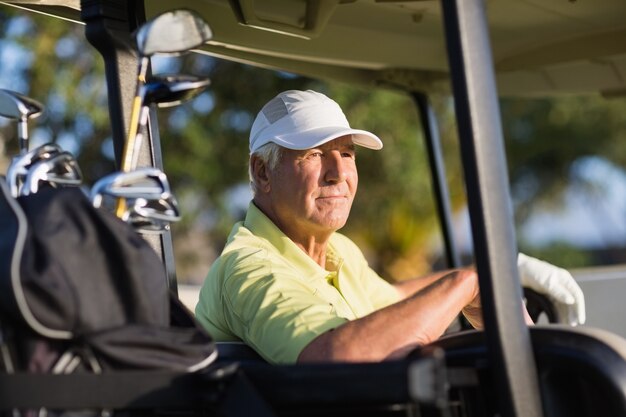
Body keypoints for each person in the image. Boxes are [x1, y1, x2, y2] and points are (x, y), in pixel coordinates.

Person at [195, 89, 585, 364]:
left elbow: (394, 301)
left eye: (346, 153)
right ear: (262, 172)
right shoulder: (248, 268)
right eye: (314, 154)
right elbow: (334, 357)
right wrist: (465, 285)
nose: (338, 173)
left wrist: (493, 273)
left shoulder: (338, 250)